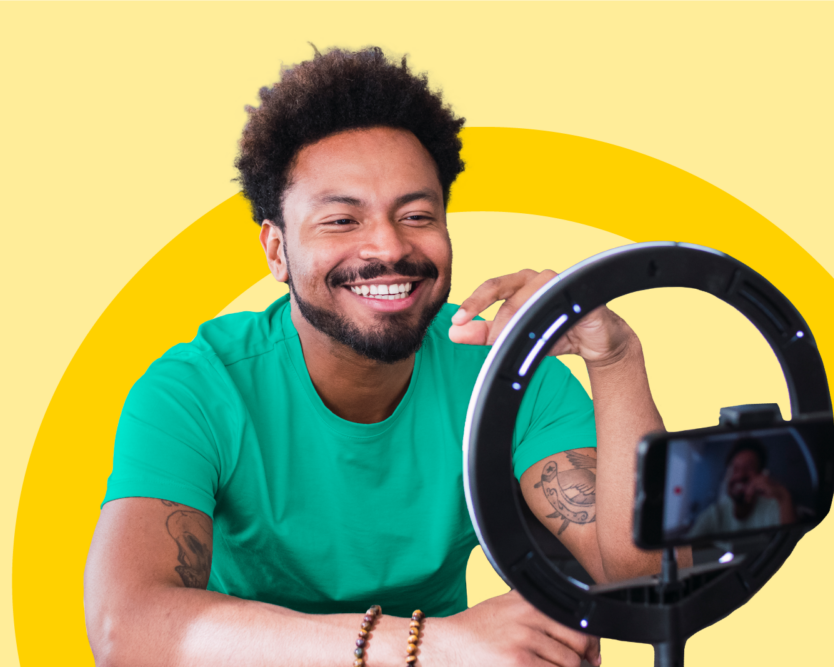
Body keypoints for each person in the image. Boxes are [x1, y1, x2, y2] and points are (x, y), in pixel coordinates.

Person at [84, 46, 674, 667]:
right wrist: (424, 644)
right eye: (342, 220)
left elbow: (642, 576)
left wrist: (616, 358)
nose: (389, 246)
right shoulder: (196, 390)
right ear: (277, 251)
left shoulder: (505, 371)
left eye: (417, 215)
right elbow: (125, 632)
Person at [687, 439, 796, 538]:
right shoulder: (715, 514)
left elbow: (792, 545)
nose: (740, 475)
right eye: (735, 469)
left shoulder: (773, 508)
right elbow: (682, 552)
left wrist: (784, 495)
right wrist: (688, 560)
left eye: (749, 468)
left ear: (761, 475)